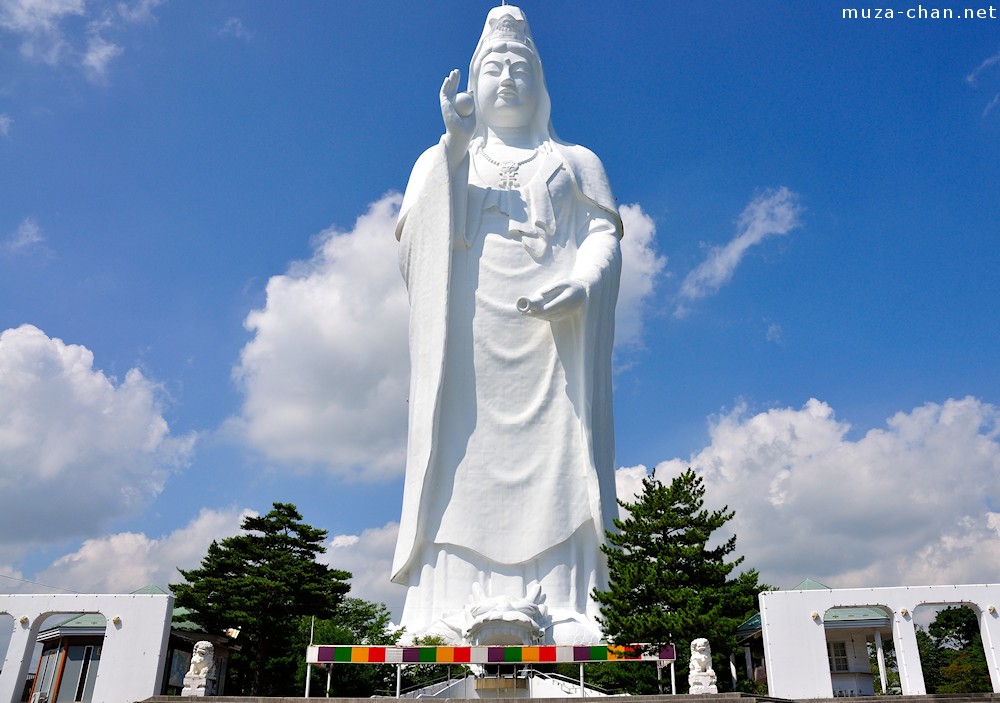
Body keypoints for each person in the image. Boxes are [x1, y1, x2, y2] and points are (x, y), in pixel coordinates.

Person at [392, 5, 623, 645]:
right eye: (493, 67)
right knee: (457, 455)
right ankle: (443, 605)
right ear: (472, 80)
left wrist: (582, 282)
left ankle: (572, 604)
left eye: (520, 66)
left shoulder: (576, 161)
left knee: (562, 454)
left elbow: (604, 234)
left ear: (541, 82)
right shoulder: (440, 160)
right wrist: (455, 148)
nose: (507, 78)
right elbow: (412, 242)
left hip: (553, 340)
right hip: (466, 339)